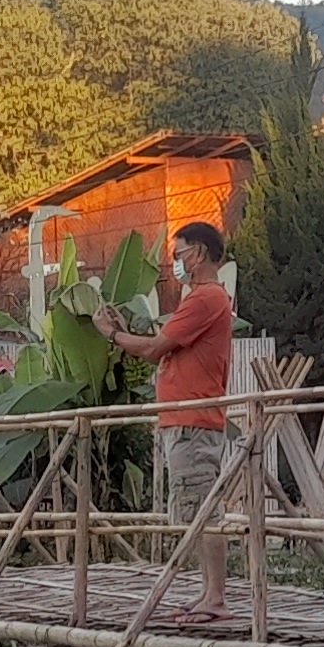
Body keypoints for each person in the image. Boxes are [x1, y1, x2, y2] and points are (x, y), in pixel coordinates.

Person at [103, 219, 240, 621]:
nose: (176, 262)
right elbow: (163, 350)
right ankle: (208, 593)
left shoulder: (204, 298)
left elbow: (154, 348)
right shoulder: (203, 299)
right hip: (186, 419)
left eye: (179, 254)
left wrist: (111, 335)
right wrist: (126, 334)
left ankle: (215, 598)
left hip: (193, 420)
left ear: (198, 253)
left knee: (203, 510)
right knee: (196, 509)